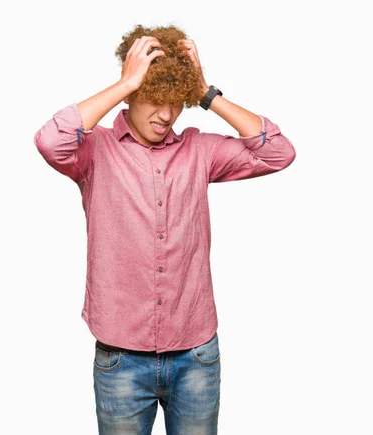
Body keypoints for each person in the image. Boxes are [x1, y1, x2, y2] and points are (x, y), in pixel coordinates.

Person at [34, 24, 296, 435]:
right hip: (121, 357)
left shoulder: (200, 150)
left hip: (195, 355)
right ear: (133, 94)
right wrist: (125, 82)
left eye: (176, 102)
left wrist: (206, 92)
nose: (166, 114)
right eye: (154, 99)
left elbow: (278, 151)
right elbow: (51, 140)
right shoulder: (95, 152)